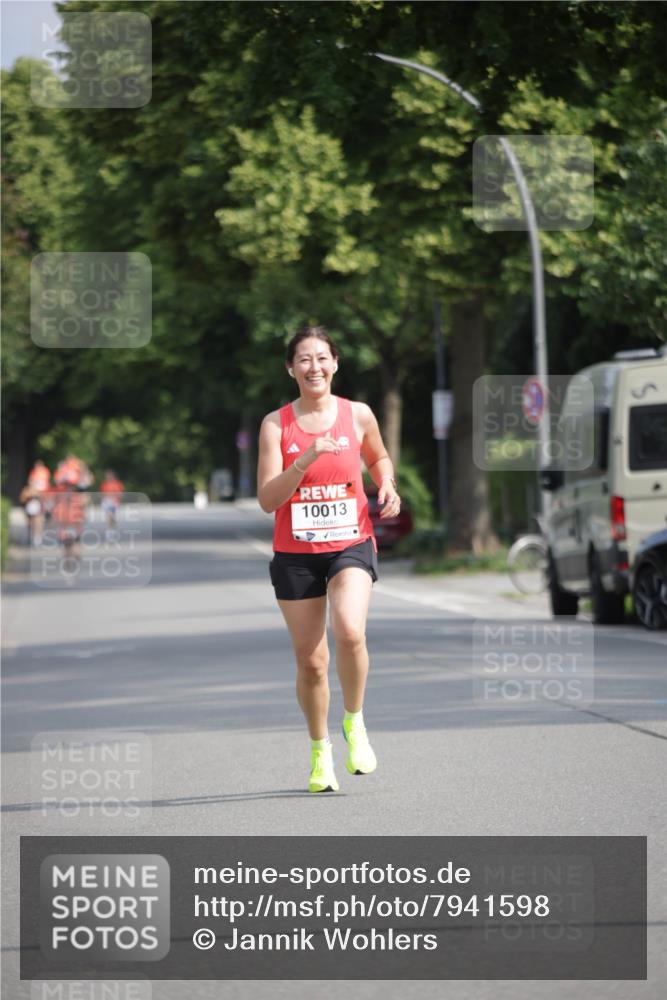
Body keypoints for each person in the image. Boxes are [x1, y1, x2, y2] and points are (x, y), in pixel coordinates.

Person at [257, 325, 401, 793]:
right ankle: (320, 755)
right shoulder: (276, 425)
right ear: (290, 369)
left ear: (335, 364)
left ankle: (354, 721)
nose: (314, 366)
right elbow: (267, 499)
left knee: (350, 630)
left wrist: (388, 486)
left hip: (350, 543)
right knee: (312, 662)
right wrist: (304, 460)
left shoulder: (357, 415)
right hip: (296, 555)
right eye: (304, 359)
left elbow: (378, 458)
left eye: (322, 358)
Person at [100, 469, 124, 537]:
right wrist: (103, 501)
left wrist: (116, 498)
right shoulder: (104, 484)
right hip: (107, 502)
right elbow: (102, 494)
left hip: (114, 502)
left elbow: (120, 493)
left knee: (113, 518)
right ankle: (109, 532)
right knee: (109, 516)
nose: (108, 477)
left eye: (109, 476)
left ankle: (112, 529)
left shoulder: (117, 483)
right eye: (107, 476)